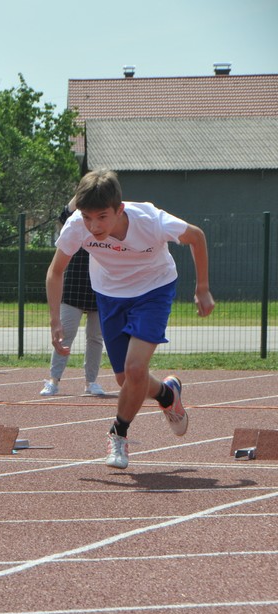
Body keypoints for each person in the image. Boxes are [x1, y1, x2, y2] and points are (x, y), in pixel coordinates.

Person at [47, 168, 214, 469]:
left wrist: (202, 288)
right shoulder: (76, 226)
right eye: (87, 217)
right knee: (126, 379)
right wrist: (55, 320)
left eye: (101, 217)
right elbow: (55, 270)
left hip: (154, 289)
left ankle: (118, 435)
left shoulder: (150, 221)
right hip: (109, 293)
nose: (93, 226)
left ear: (119, 210)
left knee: (136, 369)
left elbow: (196, 237)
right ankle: (166, 393)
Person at [40, 199, 105, 397]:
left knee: (95, 337)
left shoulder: (107, 217)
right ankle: (53, 380)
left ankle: (91, 382)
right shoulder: (78, 219)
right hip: (74, 283)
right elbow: (63, 215)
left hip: (101, 284)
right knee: (65, 333)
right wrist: (82, 194)